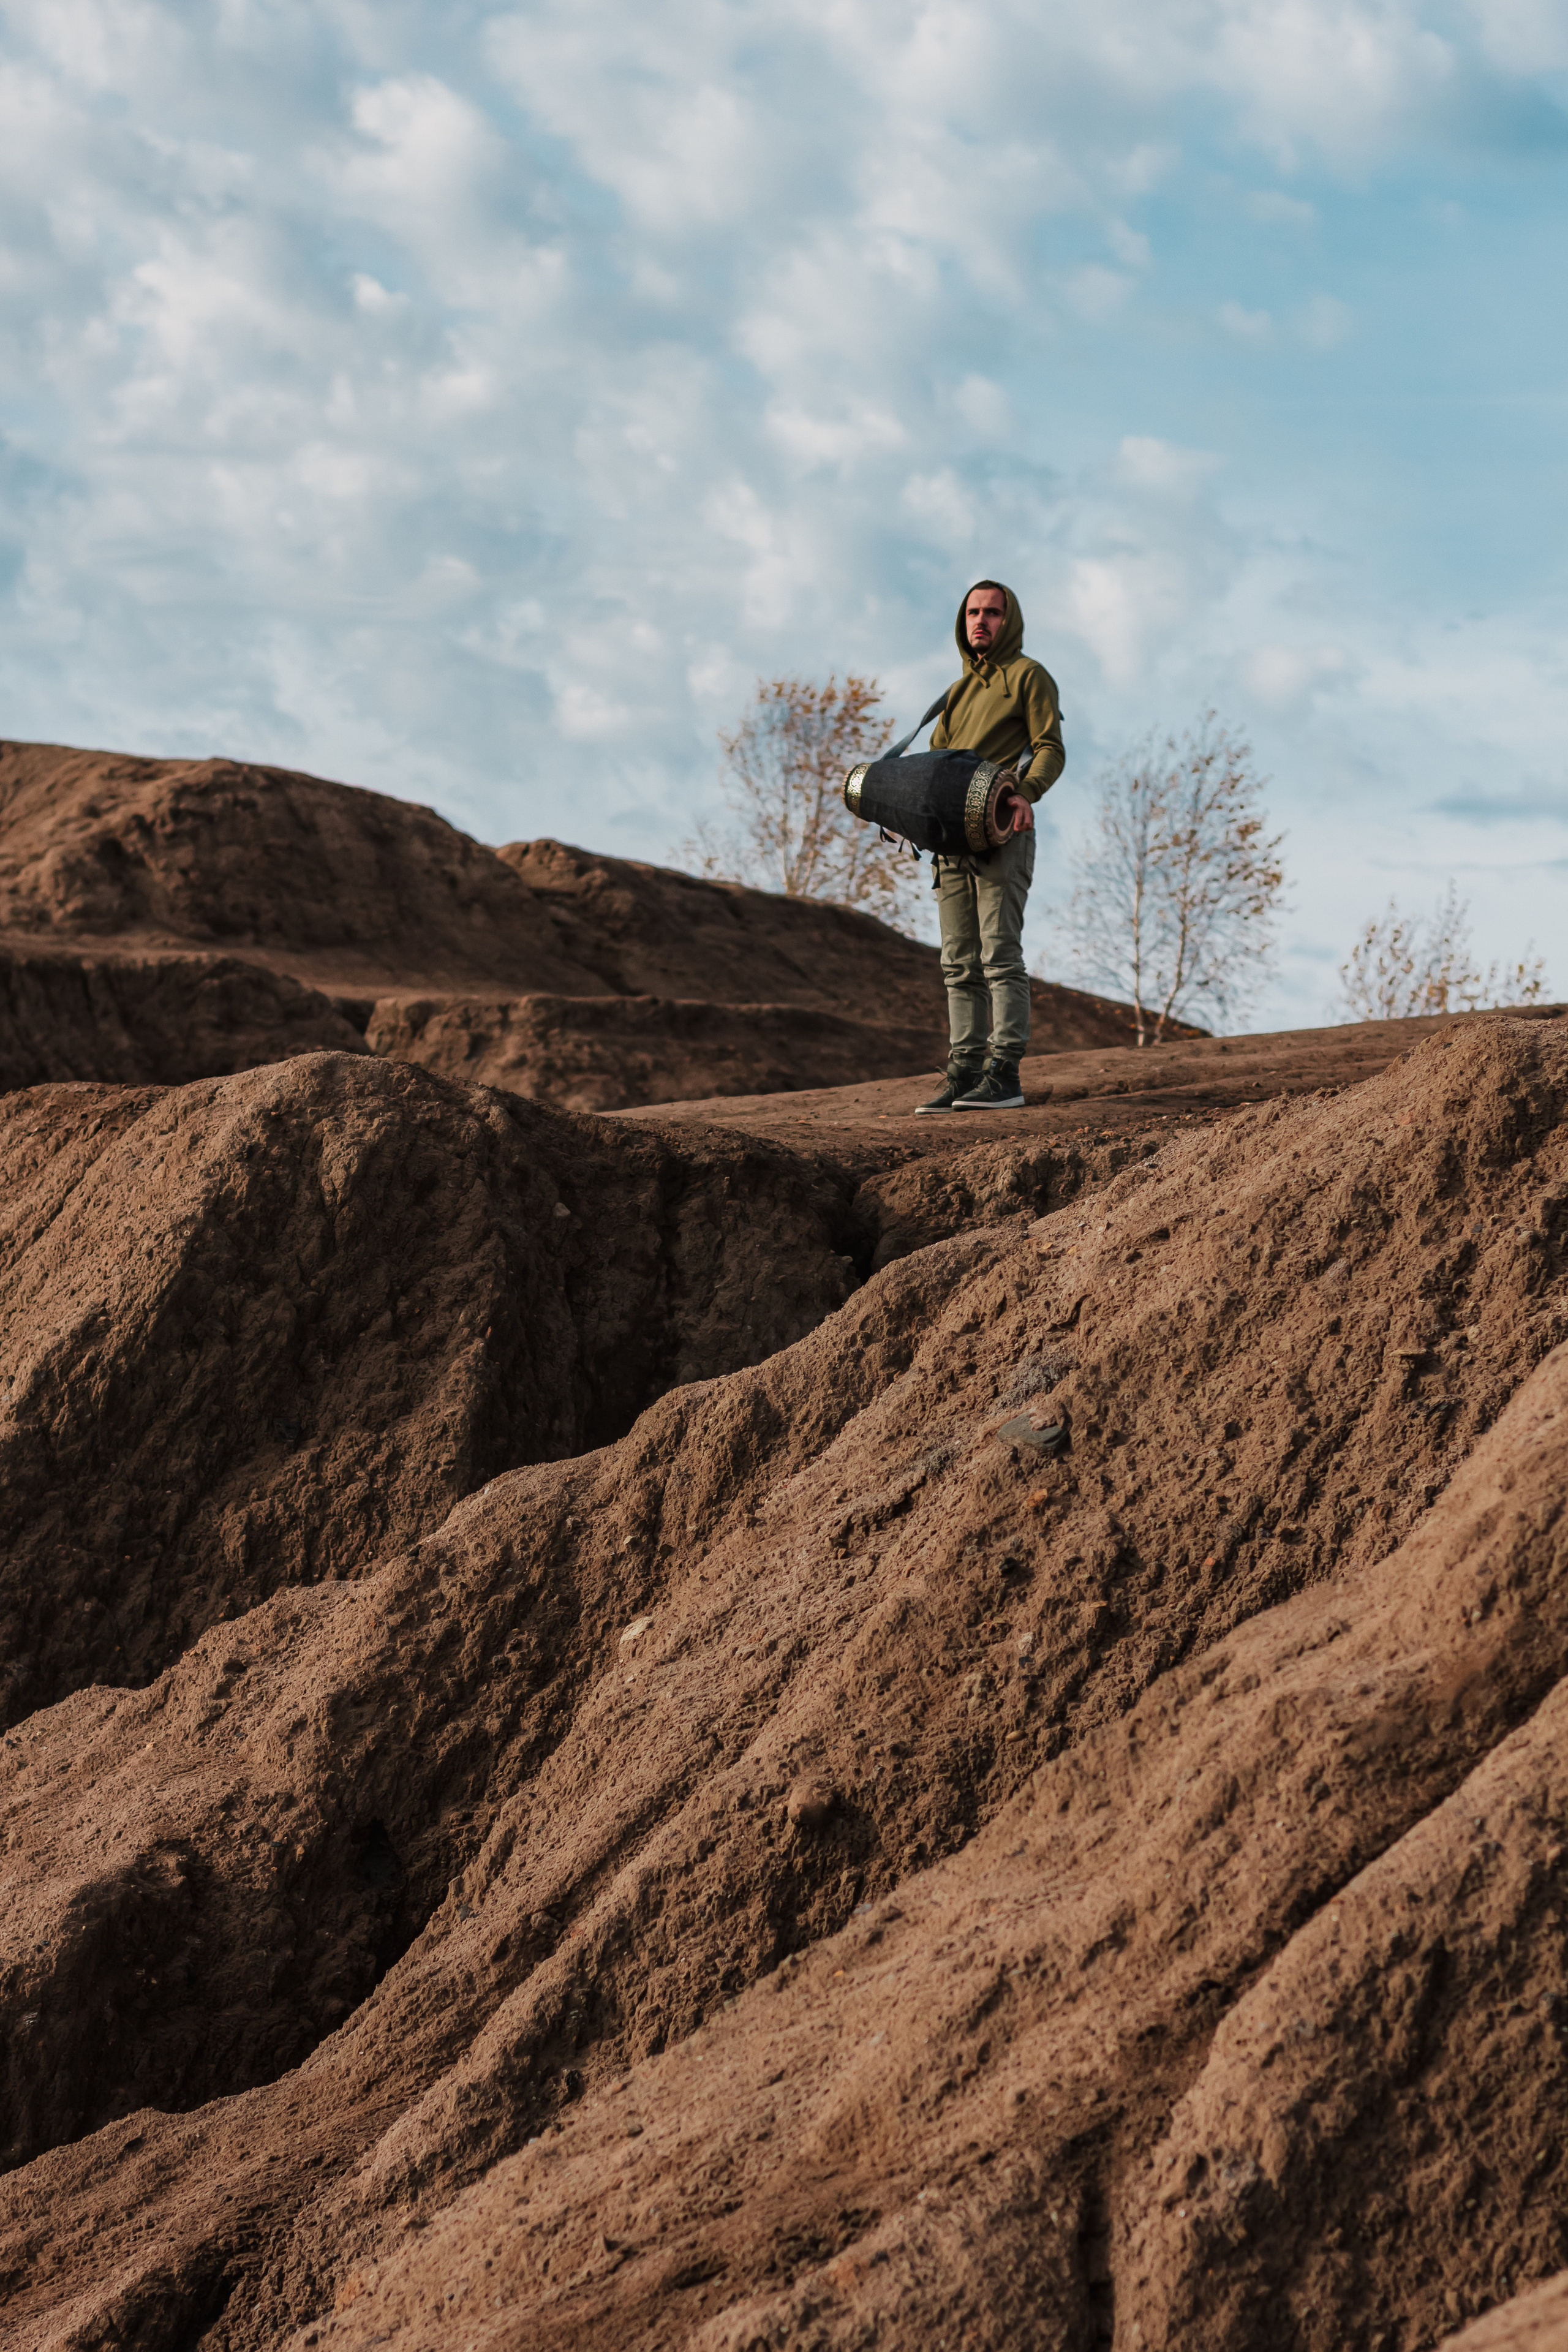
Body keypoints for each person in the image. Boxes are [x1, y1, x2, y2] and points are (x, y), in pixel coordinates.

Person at [915, 579, 1065, 1112]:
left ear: (1011, 620)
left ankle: (1004, 1074)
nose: (982, 621)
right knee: (958, 962)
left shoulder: (1029, 677)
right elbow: (932, 769)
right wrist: (911, 818)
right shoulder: (955, 694)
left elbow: (1050, 747)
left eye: (993, 613)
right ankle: (965, 1070)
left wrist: (1025, 794)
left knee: (999, 955)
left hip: (1004, 833)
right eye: (974, 612)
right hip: (952, 845)